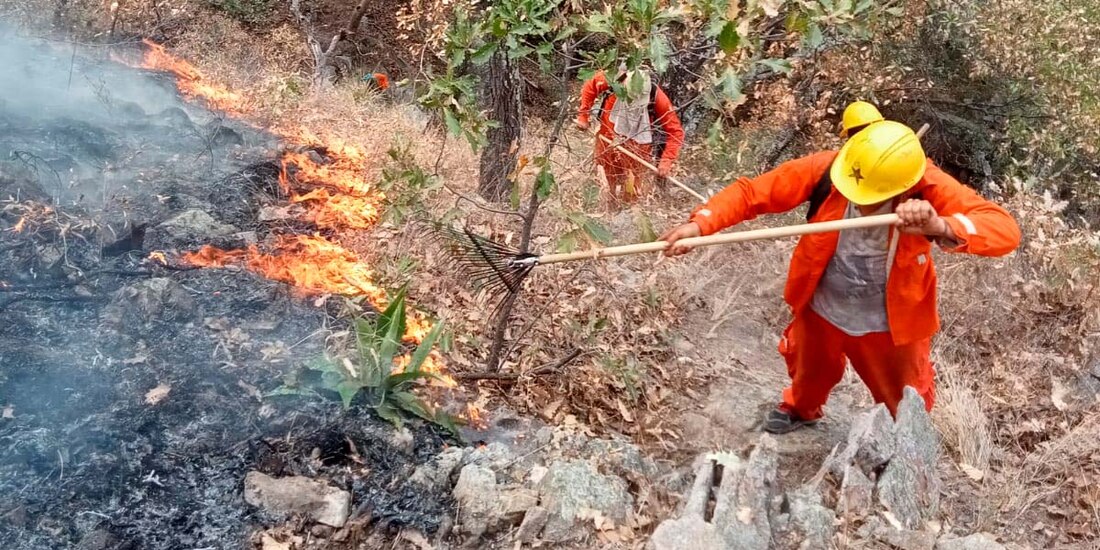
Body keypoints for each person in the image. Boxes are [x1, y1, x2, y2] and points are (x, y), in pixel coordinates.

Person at [659, 121, 1021, 433]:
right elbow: (754, 193)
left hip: (889, 322)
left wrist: (940, 225)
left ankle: (905, 448)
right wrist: (701, 223)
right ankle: (801, 409)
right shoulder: (832, 167)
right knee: (808, 372)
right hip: (822, 303)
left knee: (906, 398)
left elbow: (1005, 230)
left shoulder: (927, 186)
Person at [577, 64, 684, 201]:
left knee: (632, 192)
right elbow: (590, 86)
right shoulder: (613, 78)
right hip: (608, 141)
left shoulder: (655, 95)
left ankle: (627, 213)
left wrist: (667, 159)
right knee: (606, 185)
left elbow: (675, 131)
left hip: (638, 150)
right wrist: (583, 115)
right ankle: (609, 207)